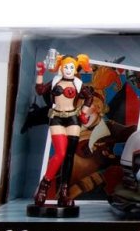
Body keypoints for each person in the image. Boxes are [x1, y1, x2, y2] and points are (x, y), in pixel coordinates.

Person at [32, 53, 94, 208]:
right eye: (66, 66)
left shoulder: (78, 83)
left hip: (72, 118)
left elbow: (89, 97)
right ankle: (44, 186)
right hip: (57, 118)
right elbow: (40, 90)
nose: (68, 69)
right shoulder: (55, 81)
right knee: (60, 153)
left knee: (69, 156)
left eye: (71, 67)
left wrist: (84, 113)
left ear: (75, 69)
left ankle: (64, 193)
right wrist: (40, 74)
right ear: (61, 67)